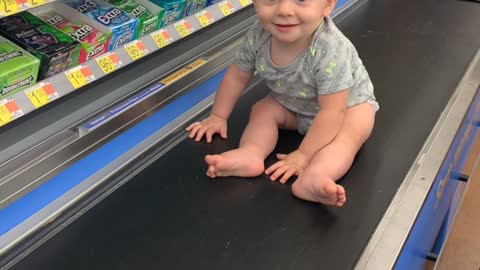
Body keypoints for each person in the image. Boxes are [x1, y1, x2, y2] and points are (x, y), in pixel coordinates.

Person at [186, 0, 378, 207]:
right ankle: (250, 153)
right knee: (262, 109)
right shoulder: (258, 35)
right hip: (294, 105)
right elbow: (236, 76)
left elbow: (332, 112)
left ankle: (316, 176)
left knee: (348, 137)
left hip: (346, 108)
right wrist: (218, 116)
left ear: (327, 5)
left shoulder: (330, 49)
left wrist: (303, 156)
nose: (284, 10)